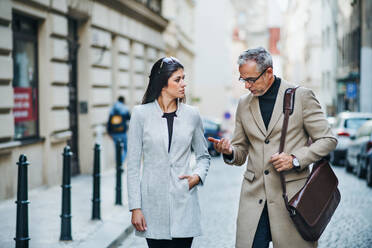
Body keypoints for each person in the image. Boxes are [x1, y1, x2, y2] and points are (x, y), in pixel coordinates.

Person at [208, 47, 337, 248]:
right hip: (254, 200)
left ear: (268, 72)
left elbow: (328, 139)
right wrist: (230, 151)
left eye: (251, 79)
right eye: (243, 80)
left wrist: (294, 159)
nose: (247, 86)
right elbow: (240, 150)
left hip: (291, 198)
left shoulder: (301, 97)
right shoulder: (243, 104)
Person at [127, 57, 211, 248]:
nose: (184, 84)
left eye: (184, 78)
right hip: (152, 207)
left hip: (184, 202)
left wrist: (197, 177)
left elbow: (203, 156)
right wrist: (135, 207)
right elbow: (132, 166)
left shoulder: (192, 115)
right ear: (162, 83)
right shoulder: (140, 114)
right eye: (177, 79)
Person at [107, 96, 131, 163]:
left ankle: (118, 163)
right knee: (126, 149)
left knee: (117, 150)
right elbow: (130, 119)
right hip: (122, 132)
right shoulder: (125, 109)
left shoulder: (112, 109)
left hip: (114, 133)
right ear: (123, 101)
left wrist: (109, 132)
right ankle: (120, 162)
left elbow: (109, 122)